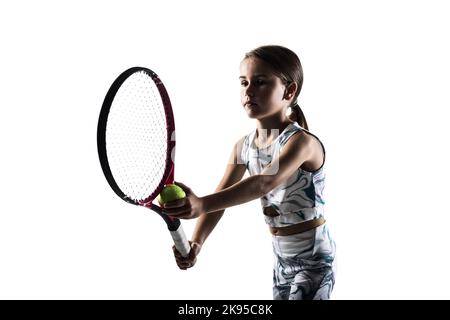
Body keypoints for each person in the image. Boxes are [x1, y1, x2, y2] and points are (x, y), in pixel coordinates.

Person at [163, 45, 336, 300]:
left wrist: (200, 204)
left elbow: (263, 183)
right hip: (281, 262)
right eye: (244, 82)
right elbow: (220, 197)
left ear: (289, 91)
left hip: (313, 260)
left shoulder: (301, 143)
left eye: (260, 82)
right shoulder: (242, 147)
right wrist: (196, 242)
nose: (248, 90)